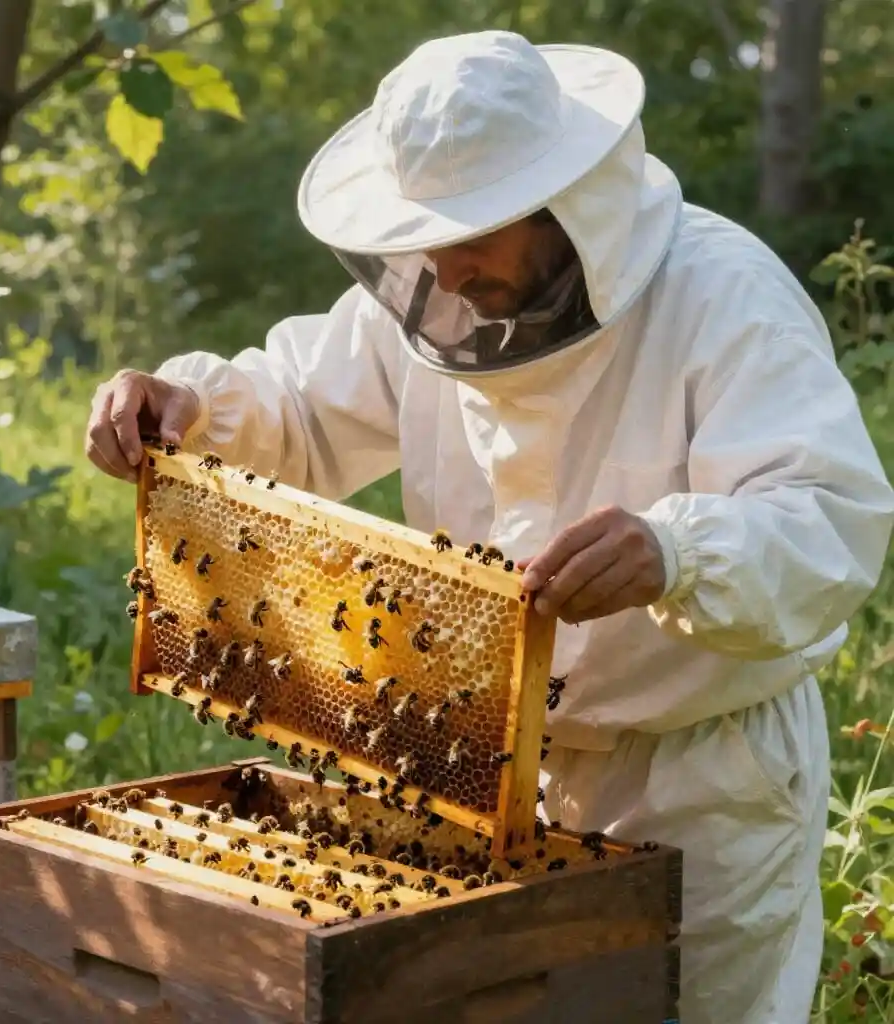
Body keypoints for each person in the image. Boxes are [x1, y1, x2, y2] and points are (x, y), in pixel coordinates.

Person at [85, 30, 894, 1024]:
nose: (447, 270)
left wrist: (677, 553)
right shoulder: (435, 298)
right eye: (426, 234)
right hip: (488, 766)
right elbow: (298, 404)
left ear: (565, 206)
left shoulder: (724, 298)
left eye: (473, 233)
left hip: (699, 782)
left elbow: (827, 518)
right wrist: (188, 404)